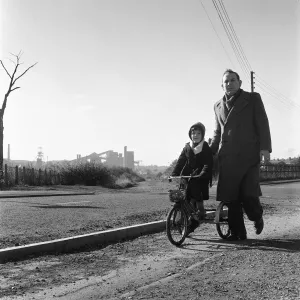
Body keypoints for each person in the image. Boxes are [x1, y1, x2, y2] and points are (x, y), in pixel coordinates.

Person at [210, 69, 272, 241]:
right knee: (231, 198)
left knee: (249, 195)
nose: (229, 84)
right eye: (226, 81)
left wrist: (265, 148)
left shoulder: (252, 99)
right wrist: (210, 152)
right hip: (227, 158)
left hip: (248, 156)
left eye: (232, 80)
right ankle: (238, 232)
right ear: (222, 85)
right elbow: (217, 133)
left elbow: (262, 123)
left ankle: (256, 216)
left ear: (240, 82)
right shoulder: (217, 106)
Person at [171, 122, 213, 232]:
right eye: (193, 133)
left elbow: (208, 163)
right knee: (183, 196)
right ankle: (185, 218)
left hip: (200, 175)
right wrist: (174, 174)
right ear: (190, 134)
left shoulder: (205, 147)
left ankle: (200, 212)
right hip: (188, 175)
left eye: (198, 133)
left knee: (196, 194)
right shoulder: (187, 147)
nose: (195, 135)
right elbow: (180, 162)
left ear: (202, 135)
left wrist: (203, 172)